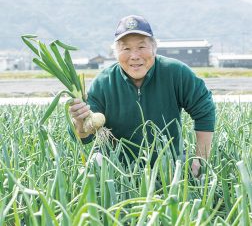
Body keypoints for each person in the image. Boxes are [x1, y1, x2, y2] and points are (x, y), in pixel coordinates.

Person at [70, 15, 215, 176]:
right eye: (126, 49)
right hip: (114, 163)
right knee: (89, 174)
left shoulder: (175, 72)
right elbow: (84, 138)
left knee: (192, 181)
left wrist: (200, 160)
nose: (134, 56)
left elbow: (205, 109)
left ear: (154, 48)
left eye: (141, 47)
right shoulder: (103, 82)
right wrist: (79, 120)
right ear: (116, 53)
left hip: (168, 160)